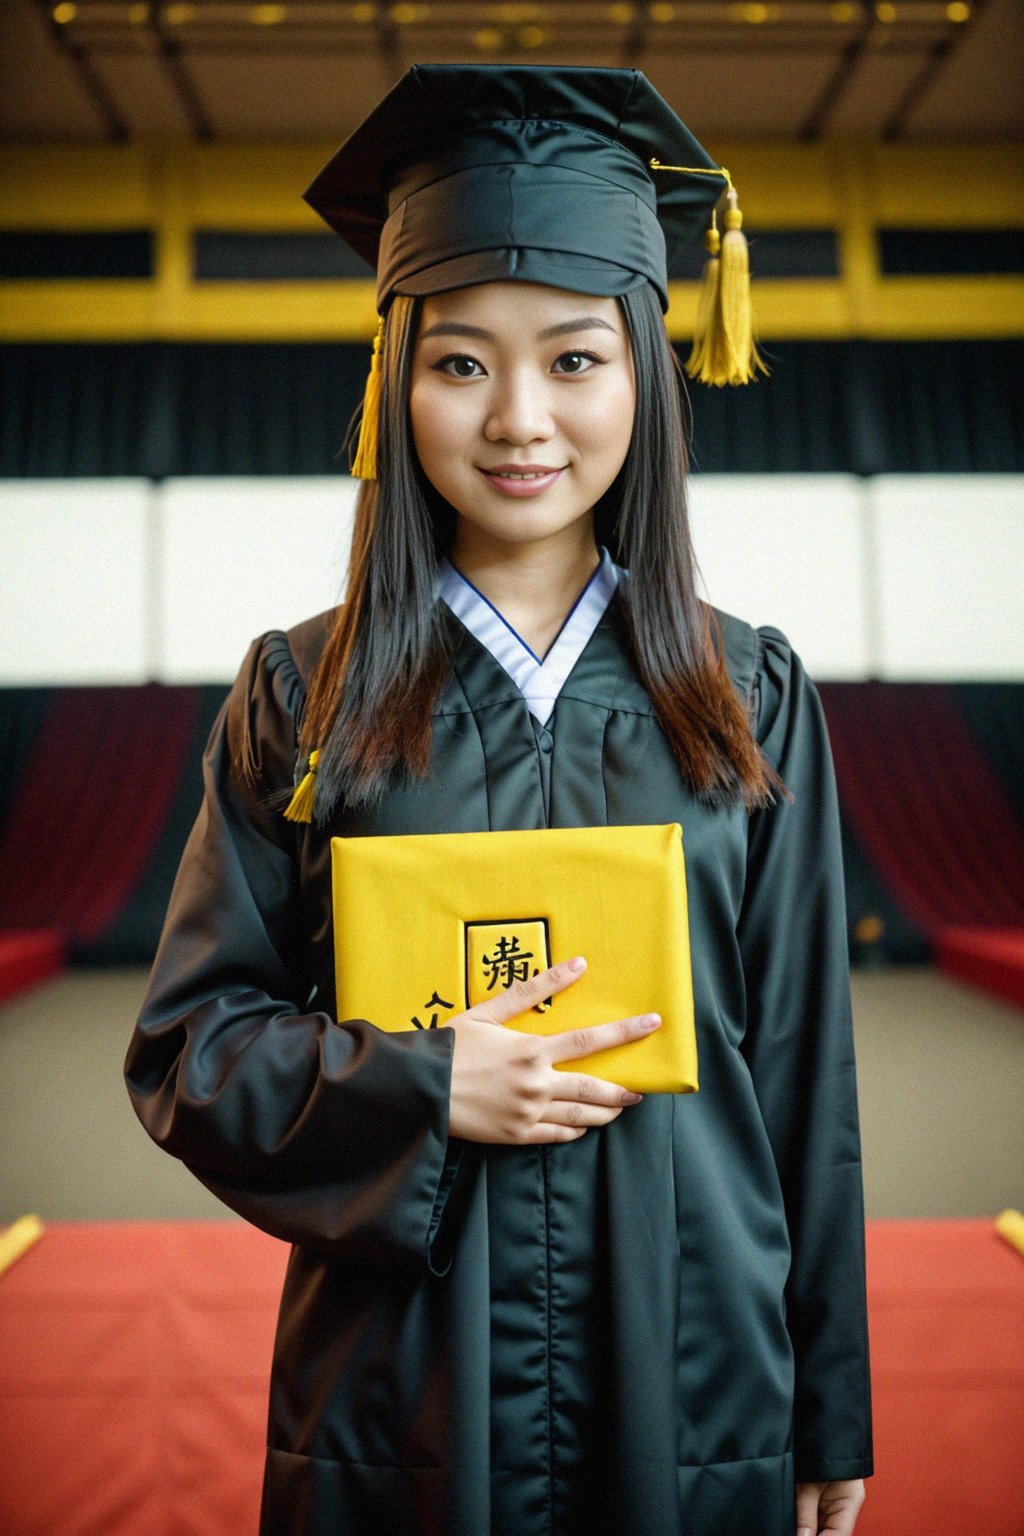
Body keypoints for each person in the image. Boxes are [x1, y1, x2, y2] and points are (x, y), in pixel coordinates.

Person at [125, 64, 872, 1536]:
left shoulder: (750, 694)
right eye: (461, 362)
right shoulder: (301, 695)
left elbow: (805, 1080)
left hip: (695, 1367)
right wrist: (421, 1084)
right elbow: (190, 1050)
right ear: (396, 378)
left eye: (575, 360)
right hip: (405, 1382)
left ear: (646, 373)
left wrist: (827, 1400)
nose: (520, 417)